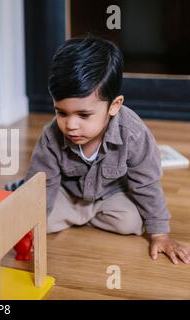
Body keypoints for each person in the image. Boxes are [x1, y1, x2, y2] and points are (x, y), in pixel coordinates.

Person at [20, 36, 190, 264]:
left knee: (132, 223)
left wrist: (160, 234)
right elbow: (44, 185)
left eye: (83, 115)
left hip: (109, 195)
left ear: (114, 106)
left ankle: (82, 215)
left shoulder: (134, 134)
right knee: (34, 221)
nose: (70, 125)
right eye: (61, 112)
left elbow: (147, 183)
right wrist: (30, 228)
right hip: (67, 194)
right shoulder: (50, 137)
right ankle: (34, 198)